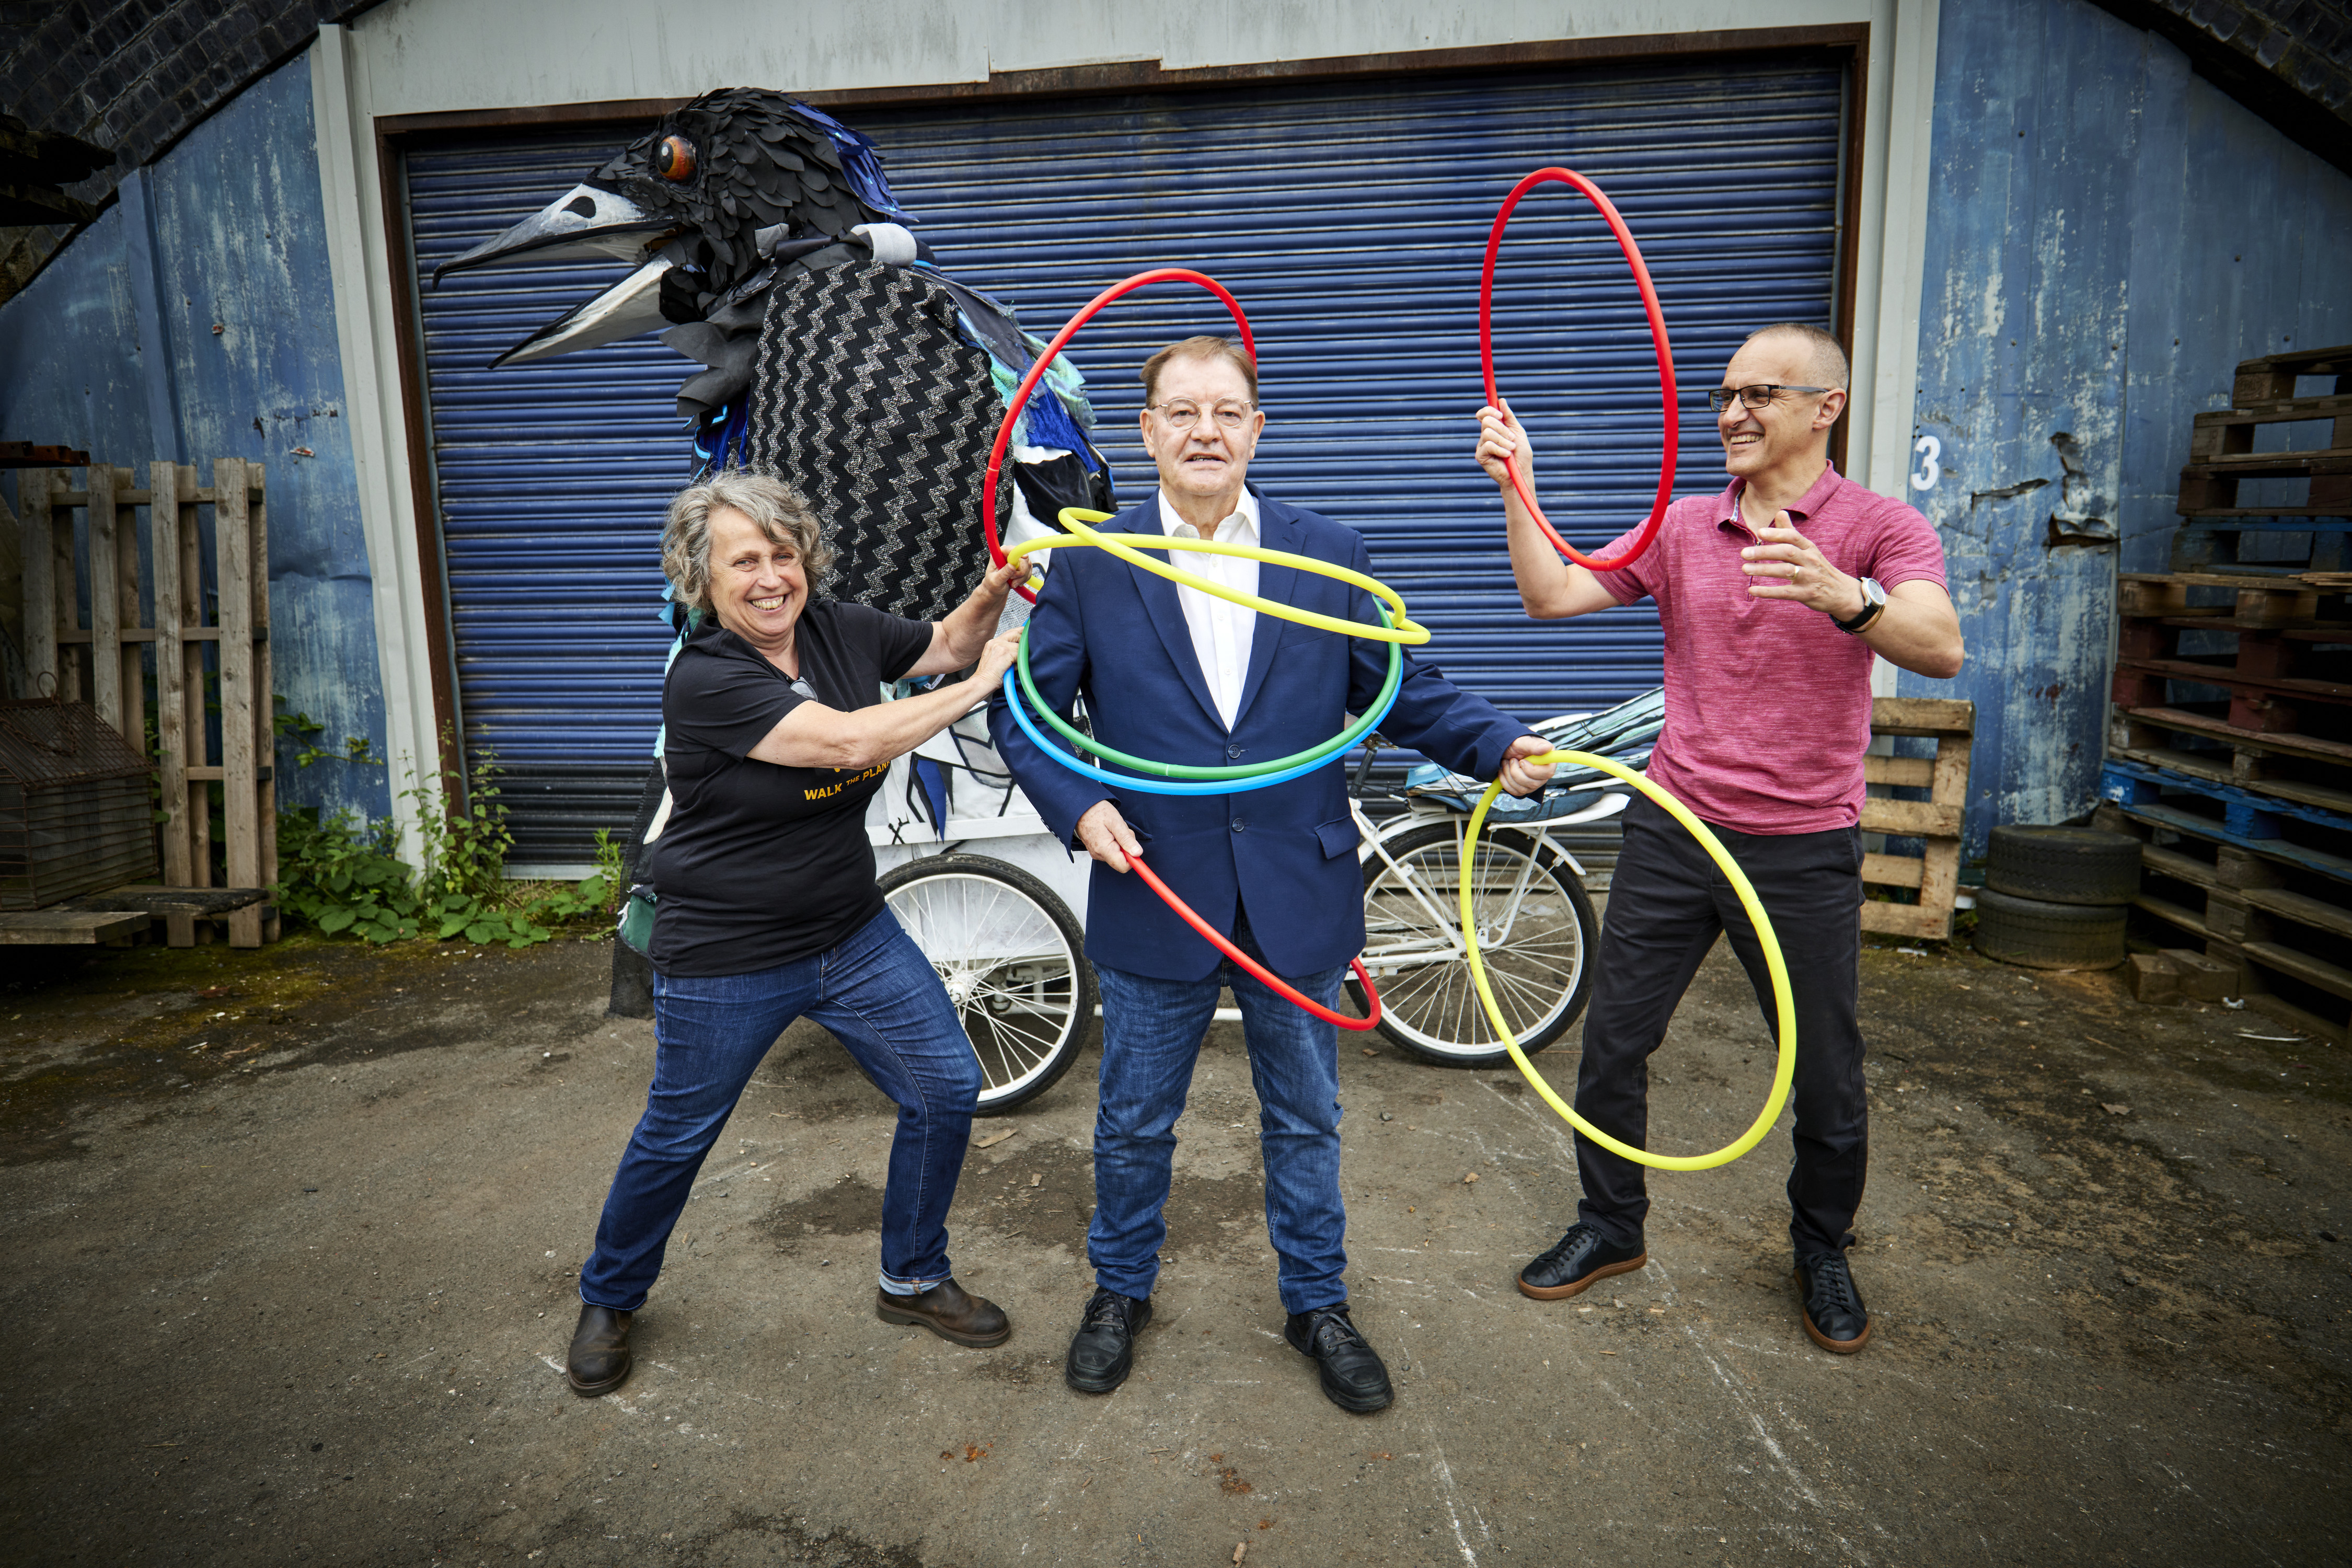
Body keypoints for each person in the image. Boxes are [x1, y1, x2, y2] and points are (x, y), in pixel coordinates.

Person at [991, 336, 1558, 1413]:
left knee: (1305, 1117)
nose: (1206, 431)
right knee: (1134, 1121)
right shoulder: (1094, 562)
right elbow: (1024, 714)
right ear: (1147, 432)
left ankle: (1317, 1304)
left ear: (1259, 429)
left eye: (1228, 412)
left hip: (1299, 888)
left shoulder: (1325, 554)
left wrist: (1502, 747)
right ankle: (1119, 1292)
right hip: (1154, 881)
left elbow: (1405, 687)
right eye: (1182, 413)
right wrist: (1081, 806)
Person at [1474, 322, 1965, 1355]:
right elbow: (1549, 595)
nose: (1732, 413)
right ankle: (1611, 1228)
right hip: (1675, 824)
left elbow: (1939, 644)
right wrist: (1518, 485)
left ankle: (1821, 1246)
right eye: (1726, 394)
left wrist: (1847, 598)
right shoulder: (1687, 523)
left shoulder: (1880, 528)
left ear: (1825, 407)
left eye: (1762, 394)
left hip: (1800, 845)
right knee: (1612, 1047)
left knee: (1826, 1070)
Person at [566, 468, 1029, 1397]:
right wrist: (984, 686)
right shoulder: (706, 678)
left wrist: (990, 595)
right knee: (679, 1132)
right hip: (728, 951)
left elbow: (941, 645)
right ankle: (611, 1296)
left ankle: (912, 1277)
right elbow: (852, 742)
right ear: (703, 579)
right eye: (745, 561)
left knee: (944, 1086)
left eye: (784, 555)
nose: (771, 577)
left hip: (850, 929)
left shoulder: (835, 628)